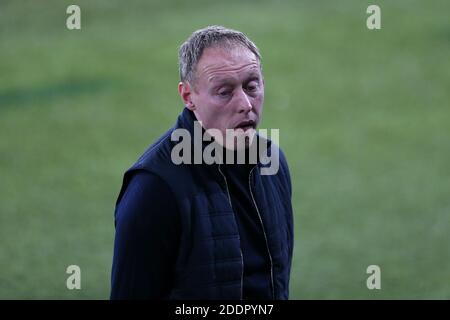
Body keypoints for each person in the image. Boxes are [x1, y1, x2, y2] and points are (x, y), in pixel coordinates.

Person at [110, 25, 294, 300]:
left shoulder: (272, 163)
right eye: (224, 92)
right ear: (188, 97)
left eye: (251, 85)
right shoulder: (154, 187)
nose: (245, 103)